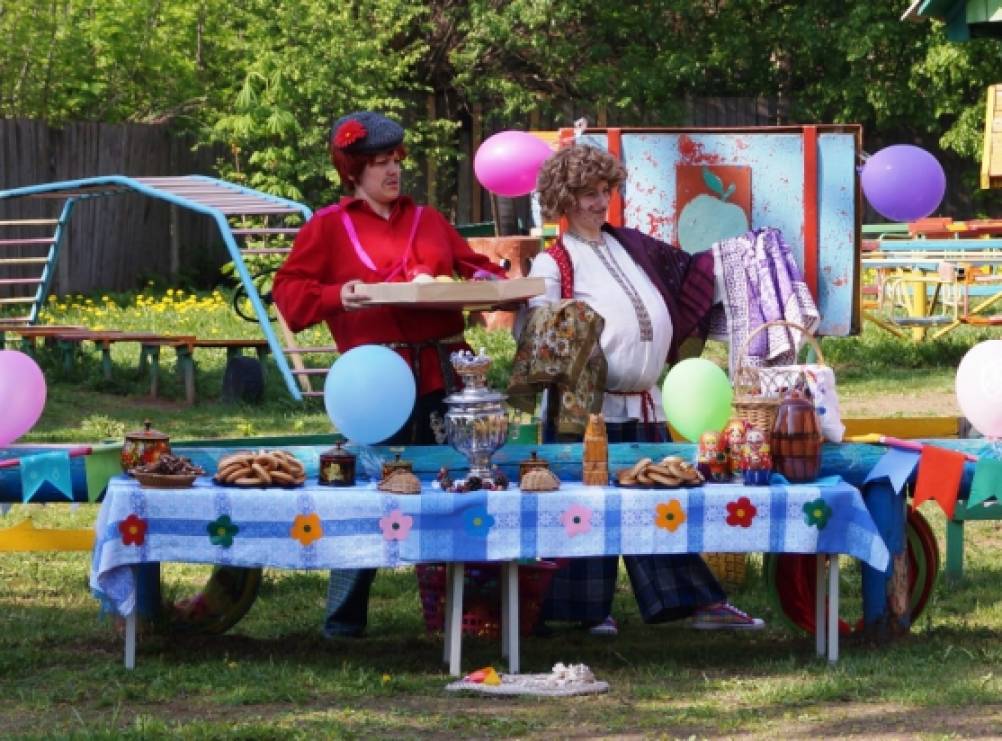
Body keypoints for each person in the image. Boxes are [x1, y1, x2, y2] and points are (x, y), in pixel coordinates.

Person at [272, 111, 506, 637]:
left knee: (461, 484)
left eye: (396, 160)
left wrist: (495, 283)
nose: (393, 171)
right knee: (366, 493)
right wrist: (340, 295)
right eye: (380, 162)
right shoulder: (327, 227)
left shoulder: (429, 220)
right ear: (353, 170)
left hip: (445, 375)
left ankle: (467, 613)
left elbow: (476, 269)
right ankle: (343, 620)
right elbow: (289, 294)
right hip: (374, 383)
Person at [521, 142, 764, 635]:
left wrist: (732, 259)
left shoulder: (631, 247)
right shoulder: (553, 264)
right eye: (588, 194)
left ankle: (694, 603)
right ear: (564, 199)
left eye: (605, 190)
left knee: (660, 504)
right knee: (585, 509)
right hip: (585, 413)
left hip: (645, 404)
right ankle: (584, 611)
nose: (600, 202)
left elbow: (684, 275)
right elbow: (540, 344)